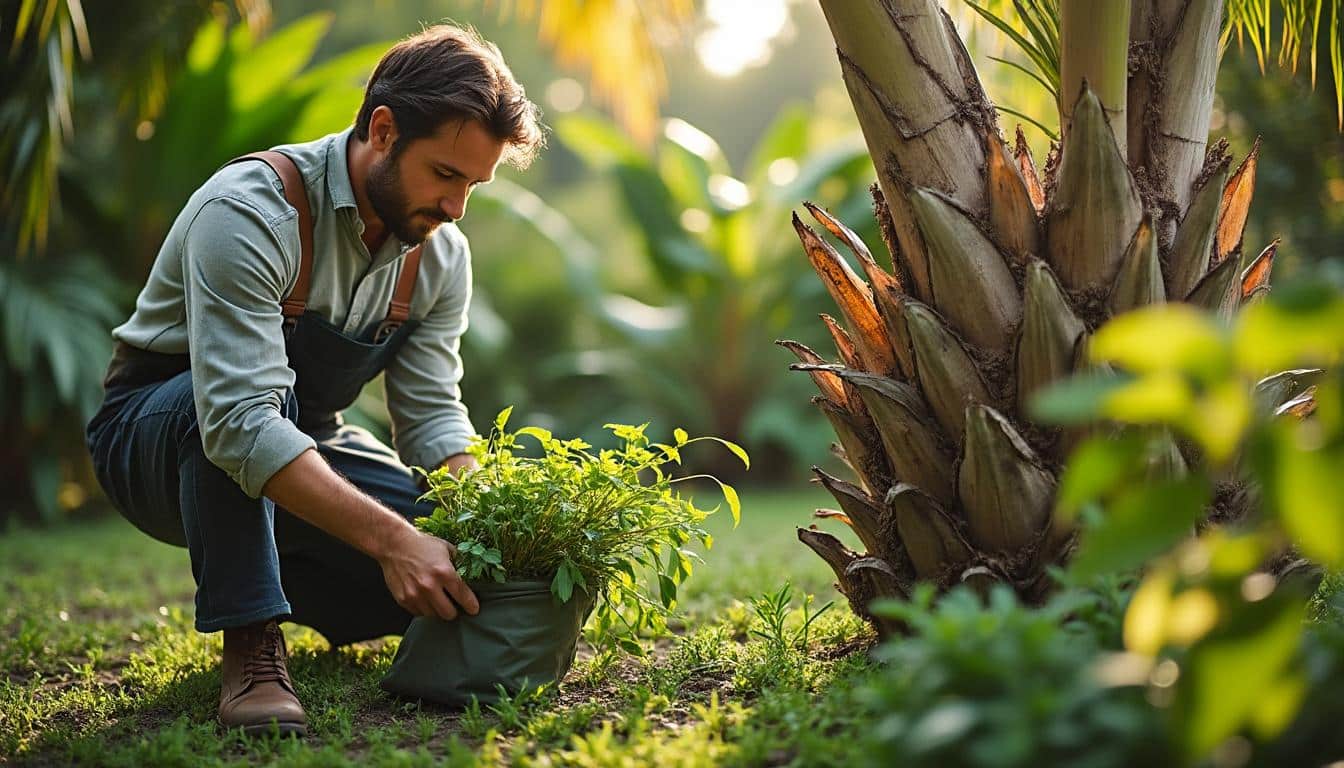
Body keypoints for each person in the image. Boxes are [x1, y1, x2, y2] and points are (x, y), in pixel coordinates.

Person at [84, 23, 544, 737]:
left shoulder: (440, 254)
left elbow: (429, 416)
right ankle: (253, 645)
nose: (457, 209)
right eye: (446, 176)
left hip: (308, 441)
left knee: (452, 567)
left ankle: (282, 564)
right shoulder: (249, 212)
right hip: (155, 432)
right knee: (231, 422)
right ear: (383, 131)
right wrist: (391, 543)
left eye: (474, 186)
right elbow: (238, 422)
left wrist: (485, 520)